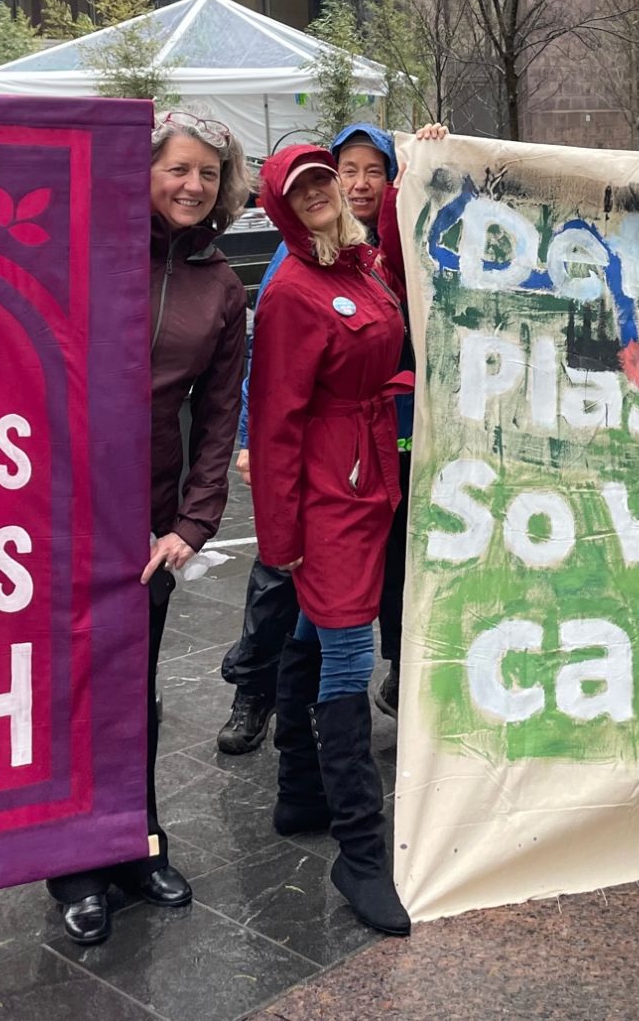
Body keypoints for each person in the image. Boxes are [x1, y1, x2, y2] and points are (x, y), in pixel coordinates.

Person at [46, 111, 249, 945]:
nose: (194, 185)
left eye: (209, 173)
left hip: (152, 521)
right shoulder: (84, 245)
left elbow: (219, 416)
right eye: (179, 169)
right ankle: (73, 864)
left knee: (135, 690)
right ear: (146, 170)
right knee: (70, 688)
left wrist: (194, 524)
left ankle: (136, 842)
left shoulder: (222, 287)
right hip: (61, 505)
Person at [217, 122, 445, 755]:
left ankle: (300, 778)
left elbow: (405, 257)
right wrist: (254, 459)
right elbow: (272, 393)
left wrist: (419, 164)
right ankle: (266, 710)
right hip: (329, 474)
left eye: (375, 171)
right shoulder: (293, 279)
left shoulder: (365, 262)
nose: (354, 183)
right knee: (297, 598)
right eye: (346, 171)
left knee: (338, 613)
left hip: (380, 459)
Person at [247, 144, 414, 934]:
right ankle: (360, 849)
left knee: (316, 630)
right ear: (283, 202)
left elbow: (392, 333)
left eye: (325, 181)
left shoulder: (362, 265)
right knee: (348, 651)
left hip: (368, 472)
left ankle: (299, 795)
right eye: (303, 186)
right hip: (328, 493)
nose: (319, 192)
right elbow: (276, 422)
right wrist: (281, 541)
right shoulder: (291, 292)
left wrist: (419, 167)